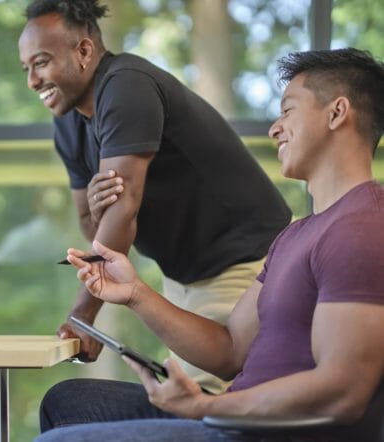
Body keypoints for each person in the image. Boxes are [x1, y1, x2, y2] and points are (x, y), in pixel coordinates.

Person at [36, 48, 384, 441]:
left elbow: (343, 392)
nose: (275, 128)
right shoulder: (297, 234)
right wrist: (135, 293)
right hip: (233, 419)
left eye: (287, 111)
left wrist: (206, 407)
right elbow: (229, 351)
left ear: (337, 113)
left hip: (264, 433)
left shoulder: (362, 229)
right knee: (69, 403)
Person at [18, 0, 291, 392]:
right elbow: (92, 224)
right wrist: (101, 211)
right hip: (182, 277)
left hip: (244, 266)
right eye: (27, 68)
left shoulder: (126, 84)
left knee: (201, 410)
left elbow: (122, 212)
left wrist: (82, 316)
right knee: (181, 400)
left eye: (41, 62)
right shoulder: (68, 124)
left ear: (83, 51)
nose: (32, 80)